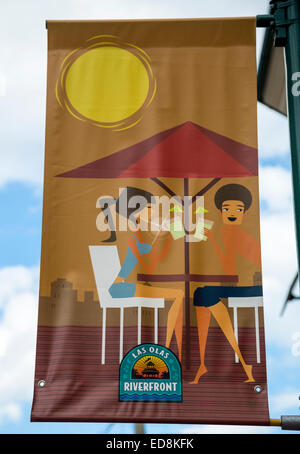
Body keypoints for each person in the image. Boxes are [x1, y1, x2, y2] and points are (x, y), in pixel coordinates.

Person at [190, 184, 262, 384]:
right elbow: (226, 265)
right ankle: (204, 362)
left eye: (238, 209)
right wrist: (211, 238)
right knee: (201, 295)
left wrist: (211, 238)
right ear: (220, 211)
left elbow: (231, 269)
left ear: (245, 212)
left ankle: (238, 360)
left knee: (203, 295)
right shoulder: (225, 233)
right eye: (227, 208)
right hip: (238, 285)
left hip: (252, 287)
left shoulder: (238, 234)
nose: (232, 213)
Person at [106, 187, 184, 361]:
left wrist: (167, 234)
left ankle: (173, 345)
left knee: (178, 294)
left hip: (129, 285)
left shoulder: (141, 234)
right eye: (149, 208)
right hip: (120, 288)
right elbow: (152, 264)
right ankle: (170, 346)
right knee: (179, 295)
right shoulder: (136, 236)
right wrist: (169, 234)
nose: (153, 212)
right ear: (136, 214)